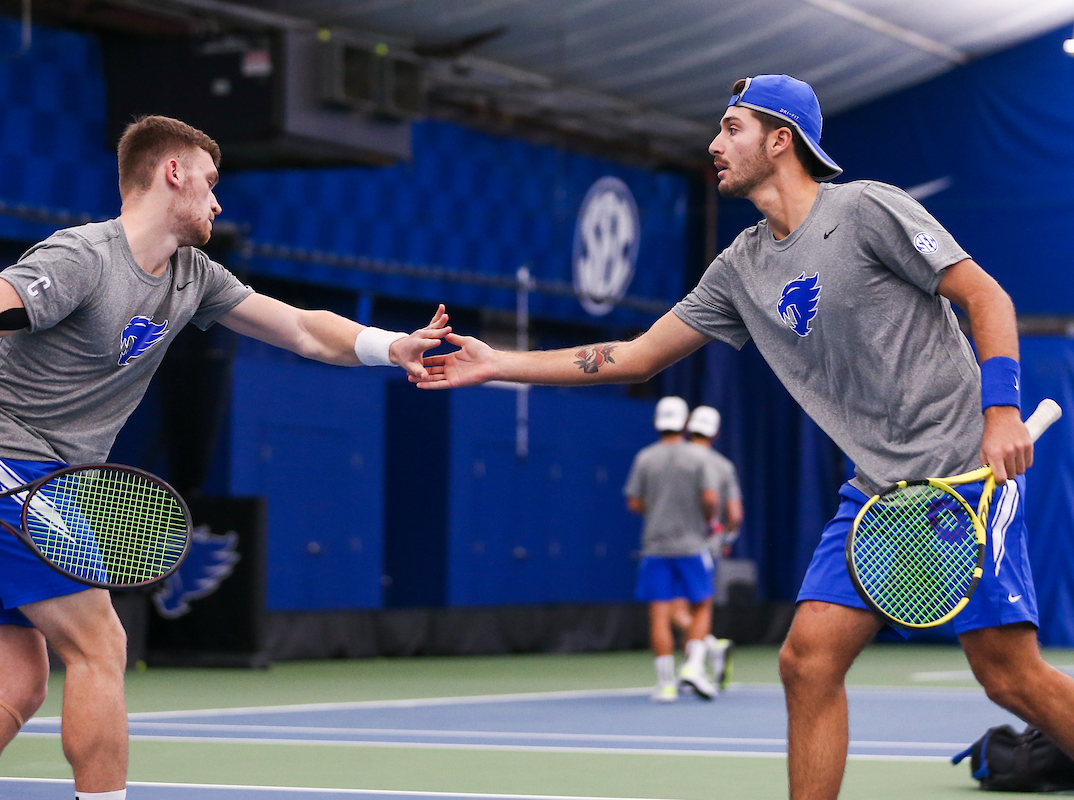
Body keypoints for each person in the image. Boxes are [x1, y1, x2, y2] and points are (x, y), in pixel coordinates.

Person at [414, 73, 1074, 800]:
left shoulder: (865, 208)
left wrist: (1002, 410)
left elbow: (987, 295)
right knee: (806, 662)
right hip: (877, 495)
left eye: (731, 129)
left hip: (963, 475)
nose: (714, 145)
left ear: (780, 140)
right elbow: (632, 356)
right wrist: (498, 363)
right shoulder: (739, 269)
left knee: (1007, 676)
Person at [0, 115, 450, 800]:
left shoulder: (193, 277)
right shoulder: (84, 257)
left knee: (16, 683)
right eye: (211, 182)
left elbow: (305, 330)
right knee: (100, 647)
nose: (219, 202)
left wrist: (388, 344)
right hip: (1, 469)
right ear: (173, 173)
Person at [624, 396, 720, 702]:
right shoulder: (699, 458)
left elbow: (634, 502)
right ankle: (692, 665)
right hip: (693, 545)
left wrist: (660, 509)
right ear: (684, 423)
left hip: (655, 548)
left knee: (659, 614)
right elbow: (709, 499)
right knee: (702, 604)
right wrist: (704, 518)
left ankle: (665, 685)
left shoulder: (644, 457)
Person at [685, 404, 742, 688]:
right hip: (707, 547)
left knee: (673, 607)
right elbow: (735, 516)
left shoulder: (669, 457)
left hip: (678, 546)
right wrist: (725, 539)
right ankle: (708, 649)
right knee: (693, 607)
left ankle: (695, 662)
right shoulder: (722, 466)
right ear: (716, 433)